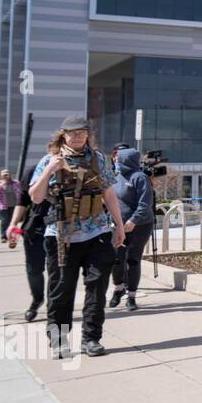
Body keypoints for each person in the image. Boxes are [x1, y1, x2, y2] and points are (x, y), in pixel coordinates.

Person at [28, 116, 127, 358]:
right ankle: (58, 340)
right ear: (63, 135)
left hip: (97, 233)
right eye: (73, 133)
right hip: (62, 236)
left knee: (96, 288)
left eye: (82, 133)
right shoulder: (49, 160)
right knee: (61, 290)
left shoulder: (98, 159)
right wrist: (50, 170)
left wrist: (119, 225)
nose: (78, 137)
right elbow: (35, 196)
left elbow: (109, 193)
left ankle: (91, 339)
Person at [6, 148, 57, 322]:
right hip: (35, 227)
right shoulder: (32, 171)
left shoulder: (71, 172)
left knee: (56, 270)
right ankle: (37, 299)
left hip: (60, 228)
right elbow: (22, 201)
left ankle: (54, 304)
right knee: (33, 269)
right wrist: (13, 224)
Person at [109, 148, 155, 311]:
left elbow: (145, 204)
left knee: (132, 259)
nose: (116, 161)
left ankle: (131, 296)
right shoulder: (115, 176)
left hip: (140, 226)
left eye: (119, 159)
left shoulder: (140, 178)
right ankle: (118, 288)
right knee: (116, 259)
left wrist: (133, 221)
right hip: (119, 225)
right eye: (115, 159)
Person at [0, 168, 20, 241]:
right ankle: (3, 237)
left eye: (7, 174)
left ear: (10, 174)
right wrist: (2, 184)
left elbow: (21, 191)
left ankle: (12, 237)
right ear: (1, 176)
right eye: (4, 175)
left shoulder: (16, 182)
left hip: (14, 206)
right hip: (2, 206)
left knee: (13, 222)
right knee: (5, 221)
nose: (6, 176)